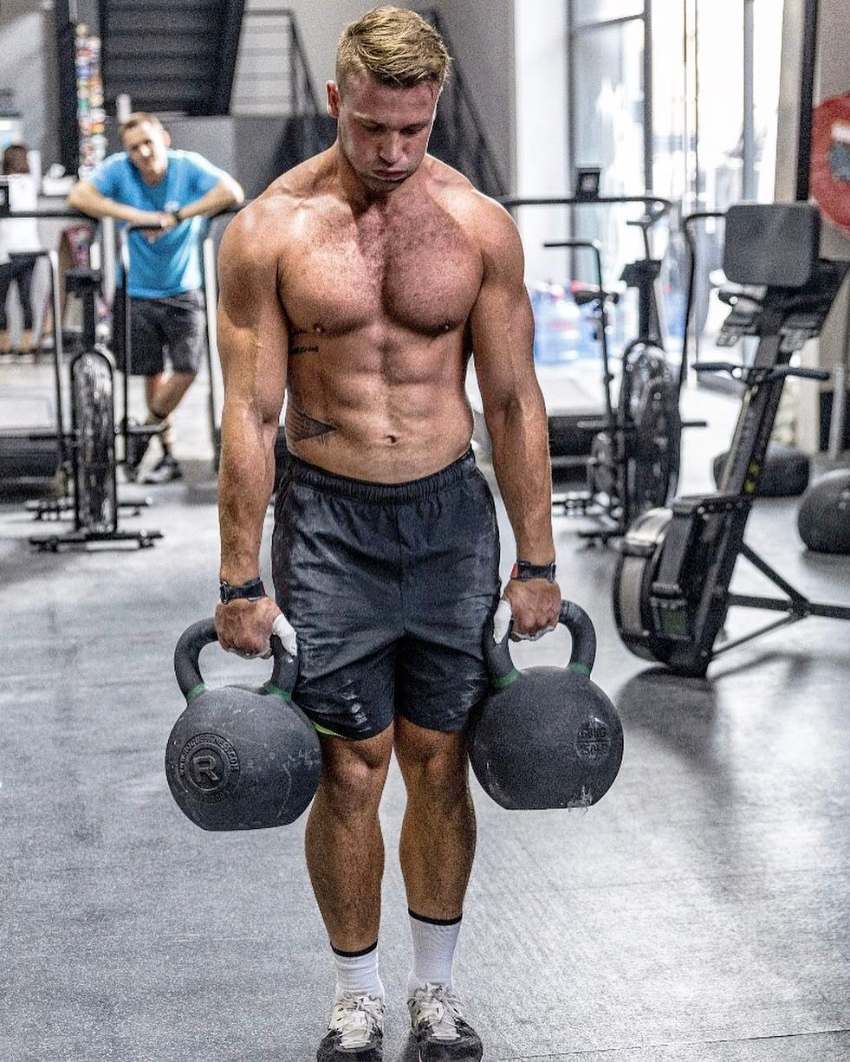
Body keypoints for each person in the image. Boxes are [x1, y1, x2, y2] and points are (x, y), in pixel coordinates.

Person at [214, 8, 561, 1060]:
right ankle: (355, 993)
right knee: (352, 764)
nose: (393, 152)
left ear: (434, 109)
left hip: (449, 521)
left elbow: (512, 401)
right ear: (337, 101)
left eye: (412, 130)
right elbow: (249, 414)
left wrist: (536, 557)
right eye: (372, 127)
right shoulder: (270, 230)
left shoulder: (477, 226)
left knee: (440, 758)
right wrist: (238, 577)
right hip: (327, 524)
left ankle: (435, 993)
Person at [67, 113, 244, 483]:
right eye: (134, 147)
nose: (143, 152)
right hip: (139, 292)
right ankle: (167, 454)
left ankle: (143, 434)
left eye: (148, 142)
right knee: (153, 374)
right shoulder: (119, 170)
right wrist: (135, 216)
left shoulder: (187, 166)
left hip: (184, 289)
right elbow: (79, 195)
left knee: (188, 368)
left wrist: (177, 216)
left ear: (163, 137)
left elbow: (232, 192)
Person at [0, 143, 42, 356]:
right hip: (30, 249)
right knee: (26, 299)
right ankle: (27, 345)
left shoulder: (3, 184)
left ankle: (4, 345)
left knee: (2, 300)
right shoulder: (31, 183)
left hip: (5, 251)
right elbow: (35, 158)